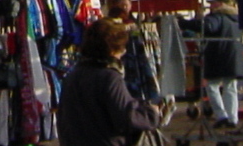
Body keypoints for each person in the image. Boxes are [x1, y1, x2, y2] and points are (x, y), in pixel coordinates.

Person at [55, 18, 163, 146]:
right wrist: (151, 114)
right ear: (112, 50)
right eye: (122, 48)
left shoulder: (73, 75)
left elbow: (63, 119)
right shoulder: (109, 77)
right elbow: (126, 118)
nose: (124, 52)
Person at [180, 0, 243, 128]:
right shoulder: (237, 18)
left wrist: (183, 23)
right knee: (230, 88)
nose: (211, 6)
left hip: (217, 56)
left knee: (211, 86)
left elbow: (208, 27)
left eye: (213, 3)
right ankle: (233, 118)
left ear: (220, 4)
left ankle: (221, 116)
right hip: (234, 57)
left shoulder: (217, 17)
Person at [107, 0, 159, 103]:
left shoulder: (134, 22)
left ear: (131, 6)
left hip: (132, 58)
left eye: (126, 5)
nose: (125, 7)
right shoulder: (112, 23)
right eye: (122, 4)